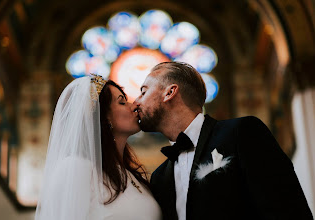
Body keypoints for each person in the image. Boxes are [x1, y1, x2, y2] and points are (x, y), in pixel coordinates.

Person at [134, 61, 313, 220]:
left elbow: (288, 209)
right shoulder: (159, 178)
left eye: (143, 92)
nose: (135, 102)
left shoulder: (242, 133)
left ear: (170, 92)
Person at [35, 74, 162, 220]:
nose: (134, 106)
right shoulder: (77, 167)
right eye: (122, 102)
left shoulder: (130, 174)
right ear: (103, 116)